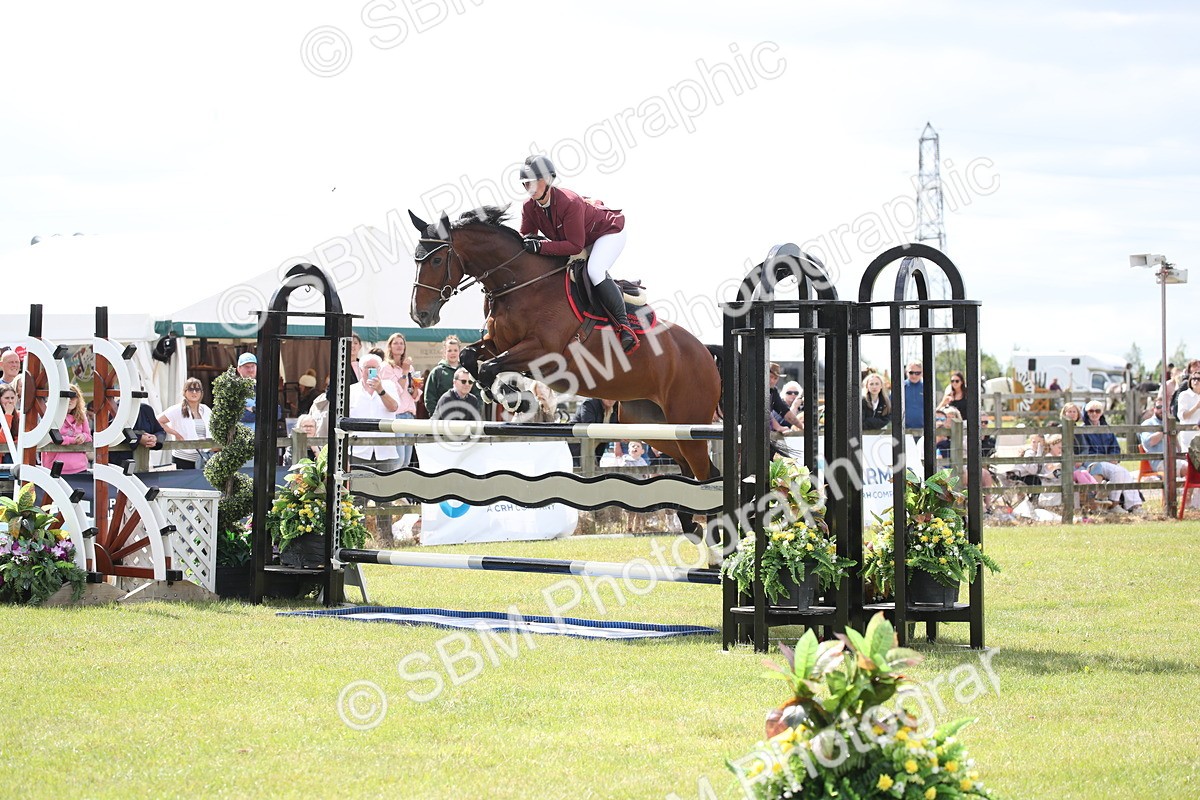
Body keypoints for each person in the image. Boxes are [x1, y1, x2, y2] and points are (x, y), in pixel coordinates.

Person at [517, 154, 636, 353]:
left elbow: (574, 245)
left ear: (547, 180)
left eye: (533, 182)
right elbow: (526, 239)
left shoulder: (568, 202)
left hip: (607, 232)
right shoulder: (528, 207)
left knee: (595, 271)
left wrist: (541, 247)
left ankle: (624, 327)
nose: (529, 187)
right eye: (525, 183)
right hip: (579, 239)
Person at [347, 353, 403, 471]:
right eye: (368, 367)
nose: (371, 370)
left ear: (380, 370)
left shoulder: (389, 386)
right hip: (359, 451)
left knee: (387, 487)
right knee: (359, 487)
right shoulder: (352, 390)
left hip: (385, 450)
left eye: (375, 368)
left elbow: (394, 407)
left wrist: (380, 390)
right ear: (361, 369)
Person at [157, 377, 212, 470]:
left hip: (203, 458)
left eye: (197, 389)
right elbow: (157, 421)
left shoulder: (205, 409)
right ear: (185, 392)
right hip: (183, 458)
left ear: (201, 392)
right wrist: (175, 434)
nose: (194, 392)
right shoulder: (177, 409)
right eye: (191, 389)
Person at [40, 384, 91, 474]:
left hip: (79, 467)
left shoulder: (82, 416)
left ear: (78, 399)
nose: (70, 401)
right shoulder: (51, 415)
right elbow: (50, 438)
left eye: (73, 398)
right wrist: (73, 440)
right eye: (67, 398)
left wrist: (83, 436)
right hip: (55, 466)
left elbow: (88, 436)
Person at [423, 335, 480, 413]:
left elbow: (478, 396)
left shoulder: (468, 371)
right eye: (449, 350)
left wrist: (473, 414)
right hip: (443, 418)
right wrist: (437, 416)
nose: (453, 353)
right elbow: (429, 398)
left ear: (459, 352)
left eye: (455, 350)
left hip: (466, 418)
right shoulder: (436, 372)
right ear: (444, 352)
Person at [108, 402, 166, 470]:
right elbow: (113, 432)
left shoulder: (146, 409)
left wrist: (154, 438)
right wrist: (139, 438)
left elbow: (161, 432)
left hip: (142, 464)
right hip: (118, 464)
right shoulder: (116, 409)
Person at [1140, 398, 1186, 478]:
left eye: (1165, 407)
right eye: (1159, 407)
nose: (1162, 409)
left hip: (1174, 459)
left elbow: (1178, 447)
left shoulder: (1170, 422)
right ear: (1153, 409)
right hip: (1160, 462)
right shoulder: (1147, 423)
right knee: (1187, 467)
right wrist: (1165, 430)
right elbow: (1149, 442)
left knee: (1195, 466)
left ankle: (1188, 490)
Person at [570, 397, 619, 464]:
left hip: (597, 449)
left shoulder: (617, 407)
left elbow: (617, 426)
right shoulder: (589, 404)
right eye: (606, 395)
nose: (610, 398)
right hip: (577, 447)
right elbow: (589, 426)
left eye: (614, 395)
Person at [1175, 370, 1200, 453]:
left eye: (1199, 379)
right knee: (1189, 463)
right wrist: (1196, 407)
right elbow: (1182, 416)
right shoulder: (1184, 395)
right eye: (1194, 379)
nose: (1196, 381)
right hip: (1188, 436)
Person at [1, 384, 20, 464]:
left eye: (12, 398)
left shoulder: (18, 415)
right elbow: (2, 439)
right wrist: (8, 414)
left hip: (14, 460)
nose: (10, 401)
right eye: (6, 398)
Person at [903, 361, 924, 431]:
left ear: (922, 373)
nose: (914, 376)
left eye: (917, 373)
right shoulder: (900, 387)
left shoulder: (927, 388)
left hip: (924, 429)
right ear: (906, 372)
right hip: (903, 430)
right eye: (911, 372)